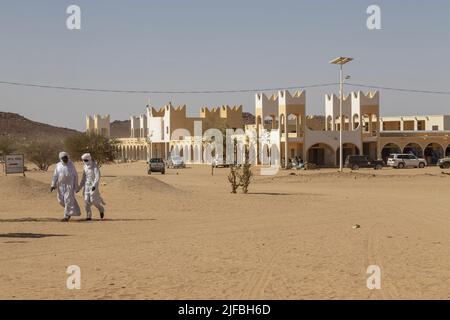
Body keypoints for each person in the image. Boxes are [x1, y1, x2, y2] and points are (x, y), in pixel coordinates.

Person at [51, 152, 81, 222]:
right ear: (60, 158)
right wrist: (53, 185)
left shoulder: (71, 165)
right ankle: (70, 210)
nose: (65, 159)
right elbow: (55, 175)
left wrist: (76, 187)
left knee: (68, 200)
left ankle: (66, 216)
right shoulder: (58, 165)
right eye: (63, 158)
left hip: (69, 185)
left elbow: (75, 176)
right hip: (60, 186)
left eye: (66, 157)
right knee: (61, 201)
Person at [79, 153, 105, 221]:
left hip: (93, 186)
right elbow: (83, 178)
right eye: (83, 160)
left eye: (86, 160)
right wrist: (79, 187)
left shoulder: (95, 166)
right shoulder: (84, 167)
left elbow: (97, 177)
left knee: (93, 200)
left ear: (89, 159)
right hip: (86, 186)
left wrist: (94, 185)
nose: (85, 162)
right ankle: (88, 216)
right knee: (86, 202)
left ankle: (101, 209)